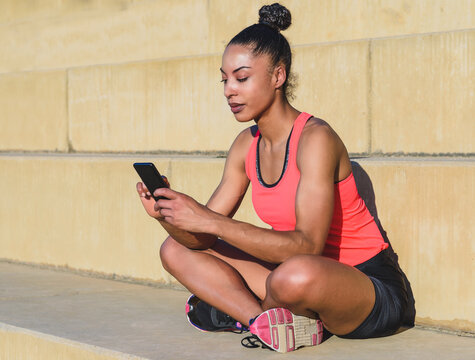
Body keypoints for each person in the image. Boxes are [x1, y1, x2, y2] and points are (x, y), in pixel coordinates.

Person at [136, 3, 408, 353]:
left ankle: (247, 313)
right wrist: (168, 216)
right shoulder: (244, 146)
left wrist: (208, 220)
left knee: (294, 274)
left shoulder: (316, 139)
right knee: (173, 249)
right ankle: (265, 323)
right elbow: (197, 240)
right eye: (225, 78)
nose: (228, 90)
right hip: (289, 277)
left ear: (278, 77)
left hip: (364, 288)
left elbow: (307, 246)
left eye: (242, 77)